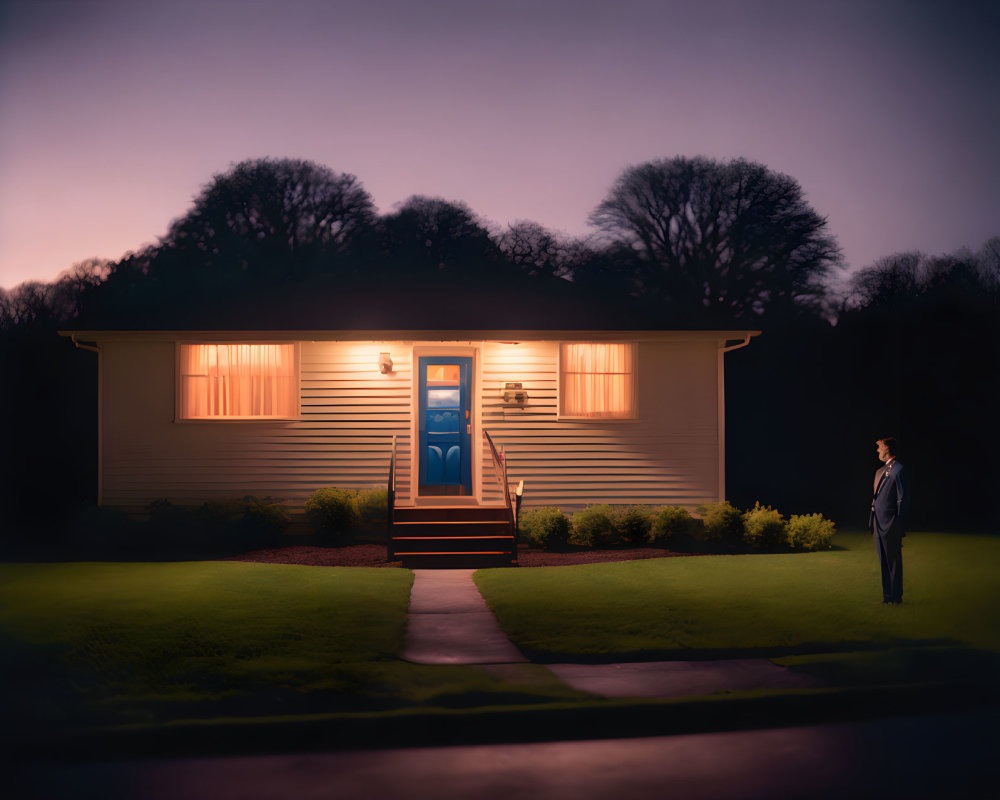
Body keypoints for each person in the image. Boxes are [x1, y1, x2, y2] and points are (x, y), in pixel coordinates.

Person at [869, 437, 910, 604]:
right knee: (883, 563)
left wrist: (899, 524)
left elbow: (903, 499)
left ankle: (896, 597)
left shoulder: (898, 469)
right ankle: (887, 597)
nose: (877, 451)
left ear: (887, 448)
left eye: (880, 447)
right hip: (877, 523)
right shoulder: (880, 471)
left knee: (893, 562)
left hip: (891, 523)